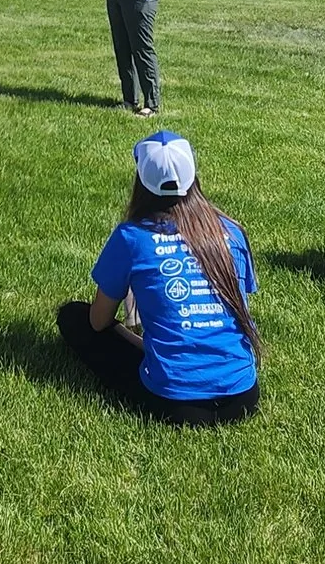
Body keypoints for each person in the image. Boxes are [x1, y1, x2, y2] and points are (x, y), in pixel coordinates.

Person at [56, 131, 260, 427]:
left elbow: (98, 322)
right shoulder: (232, 231)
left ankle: (158, 355)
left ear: (141, 181)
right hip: (243, 395)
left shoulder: (132, 237)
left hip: (175, 403)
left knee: (74, 316)